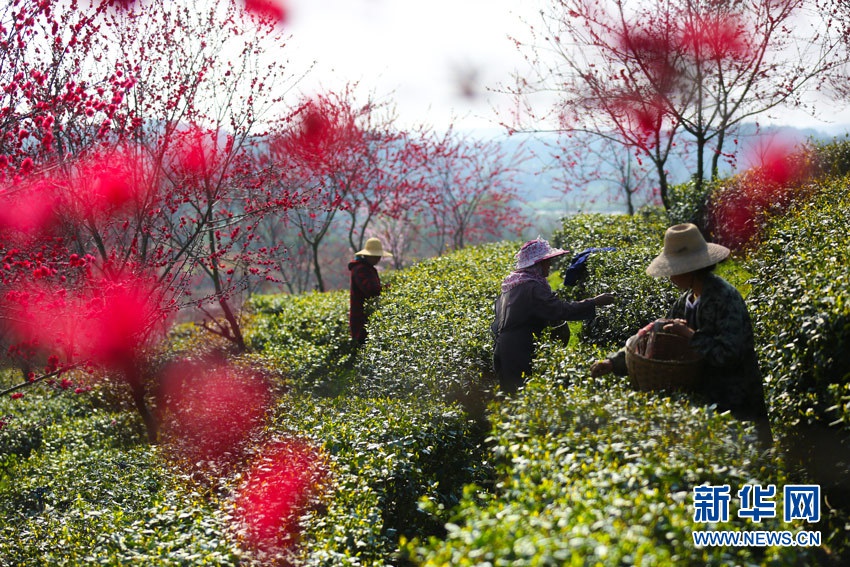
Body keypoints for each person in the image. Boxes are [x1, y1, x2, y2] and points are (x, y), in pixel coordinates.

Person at [590, 223, 773, 447]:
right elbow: (655, 335)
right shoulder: (686, 299)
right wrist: (614, 362)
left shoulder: (725, 299)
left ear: (690, 269)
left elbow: (729, 354)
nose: (669, 276)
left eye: (673, 269)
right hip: (705, 397)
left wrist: (688, 334)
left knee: (749, 461)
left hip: (736, 399)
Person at [491, 237, 616, 394]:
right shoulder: (531, 287)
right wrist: (594, 302)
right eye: (547, 262)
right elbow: (560, 310)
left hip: (505, 348)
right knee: (519, 396)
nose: (550, 265)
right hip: (518, 351)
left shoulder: (514, 283)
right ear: (537, 264)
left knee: (510, 396)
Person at [349, 237, 392, 344]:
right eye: (376, 255)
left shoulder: (366, 268)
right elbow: (371, 291)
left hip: (364, 317)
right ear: (368, 255)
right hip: (361, 319)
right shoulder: (361, 269)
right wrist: (388, 288)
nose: (378, 258)